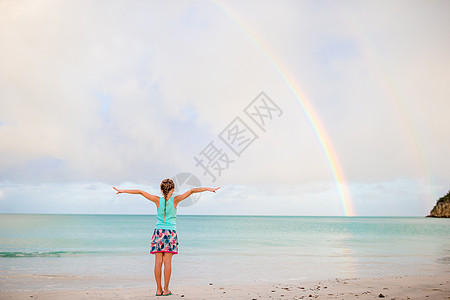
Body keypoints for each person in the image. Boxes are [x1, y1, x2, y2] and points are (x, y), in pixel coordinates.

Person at [113, 179, 220, 296]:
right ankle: (166, 290)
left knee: (158, 262)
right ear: (173, 189)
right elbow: (192, 191)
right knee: (167, 262)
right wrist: (209, 189)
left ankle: (158, 290)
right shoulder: (176, 200)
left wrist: (123, 190)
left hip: (158, 232)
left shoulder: (157, 200)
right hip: (170, 233)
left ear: (161, 189)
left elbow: (140, 191)